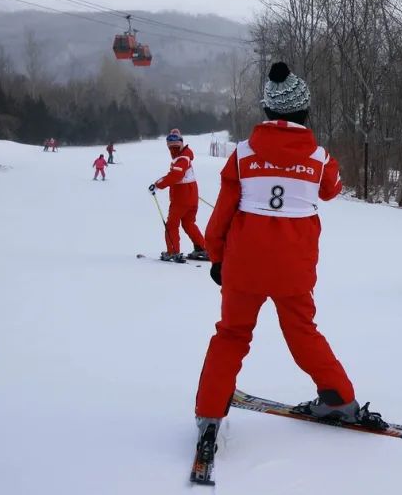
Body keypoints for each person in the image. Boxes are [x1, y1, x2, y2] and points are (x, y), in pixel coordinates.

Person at [194, 62, 369, 451]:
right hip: (294, 267)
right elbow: (331, 191)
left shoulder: (242, 156)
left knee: (232, 335)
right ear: (304, 112)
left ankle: (209, 414)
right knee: (302, 331)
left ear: (268, 112)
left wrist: (217, 257)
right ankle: (340, 399)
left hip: (244, 264)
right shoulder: (320, 158)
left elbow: (222, 212)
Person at [149, 129, 207, 262]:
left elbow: (176, 175)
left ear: (181, 143)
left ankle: (173, 251)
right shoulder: (185, 156)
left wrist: (158, 184)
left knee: (172, 224)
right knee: (188, 223)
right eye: (170, 146)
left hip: (182, 198)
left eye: (175, 146)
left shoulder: (182, 159)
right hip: (190, 196)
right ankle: (201, 248)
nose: (172, 149)